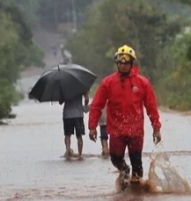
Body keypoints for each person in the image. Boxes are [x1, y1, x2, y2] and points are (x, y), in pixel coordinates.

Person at [88, 45, 162, 184]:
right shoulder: (107, 83)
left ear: (131, 63)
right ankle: (124, 171)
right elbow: (96, 105)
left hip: (135, 131)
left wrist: (156, 129)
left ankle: (136, 196)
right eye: (120, 62)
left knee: (137, 165)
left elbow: (151, 108)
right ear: (117, 63)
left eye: (126, 62)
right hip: (116, 130)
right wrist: (92, 127)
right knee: (115, 158)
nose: (123, 65)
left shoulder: (142, 83)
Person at [62, 92, 90, 159]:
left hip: (67, 115)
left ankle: (68, 150)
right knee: (79, 136)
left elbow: (61, 101)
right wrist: (85, 105)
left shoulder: (64, 87)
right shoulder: (80, 85)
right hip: (78, 114)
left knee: (67, 135)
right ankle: (80, 155)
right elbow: (86, 99)